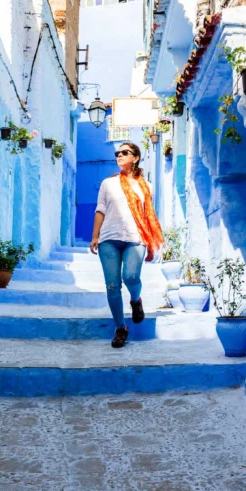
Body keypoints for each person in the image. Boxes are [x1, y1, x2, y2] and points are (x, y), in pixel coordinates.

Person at [90, 142, 164, 348]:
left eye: (125, 153)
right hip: (109, 239)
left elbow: (148, 215)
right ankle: (120, 328)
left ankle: (136, 300)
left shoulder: (146, 186)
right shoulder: (108, 183)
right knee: (113, 286)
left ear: (136, 157)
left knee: (131, 277)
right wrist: (95, 236)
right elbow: (100, 210)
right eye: (117, 153)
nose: (119, 156)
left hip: (135, 237)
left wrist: (150, 239)